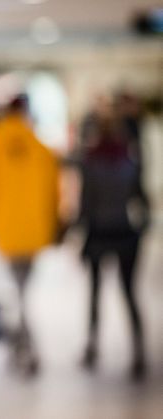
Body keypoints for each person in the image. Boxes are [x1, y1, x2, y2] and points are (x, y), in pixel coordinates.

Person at [0, 94, 60, 377]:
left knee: (18, 293)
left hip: (7, 231)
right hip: (34, 232)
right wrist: (53, 226)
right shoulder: (39, 146)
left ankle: (23, 349)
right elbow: (54, 191)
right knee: (22, 292)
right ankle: (23, 348)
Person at [77, 94, 149, 381]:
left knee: (95, 293)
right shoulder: (130, 161)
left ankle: (92, 347)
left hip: (98, 233)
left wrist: (76, 231)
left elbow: (85, 204)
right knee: (129, 293)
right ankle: (138, 352)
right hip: (125, 233)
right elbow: (140, 200)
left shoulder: (89, 161)